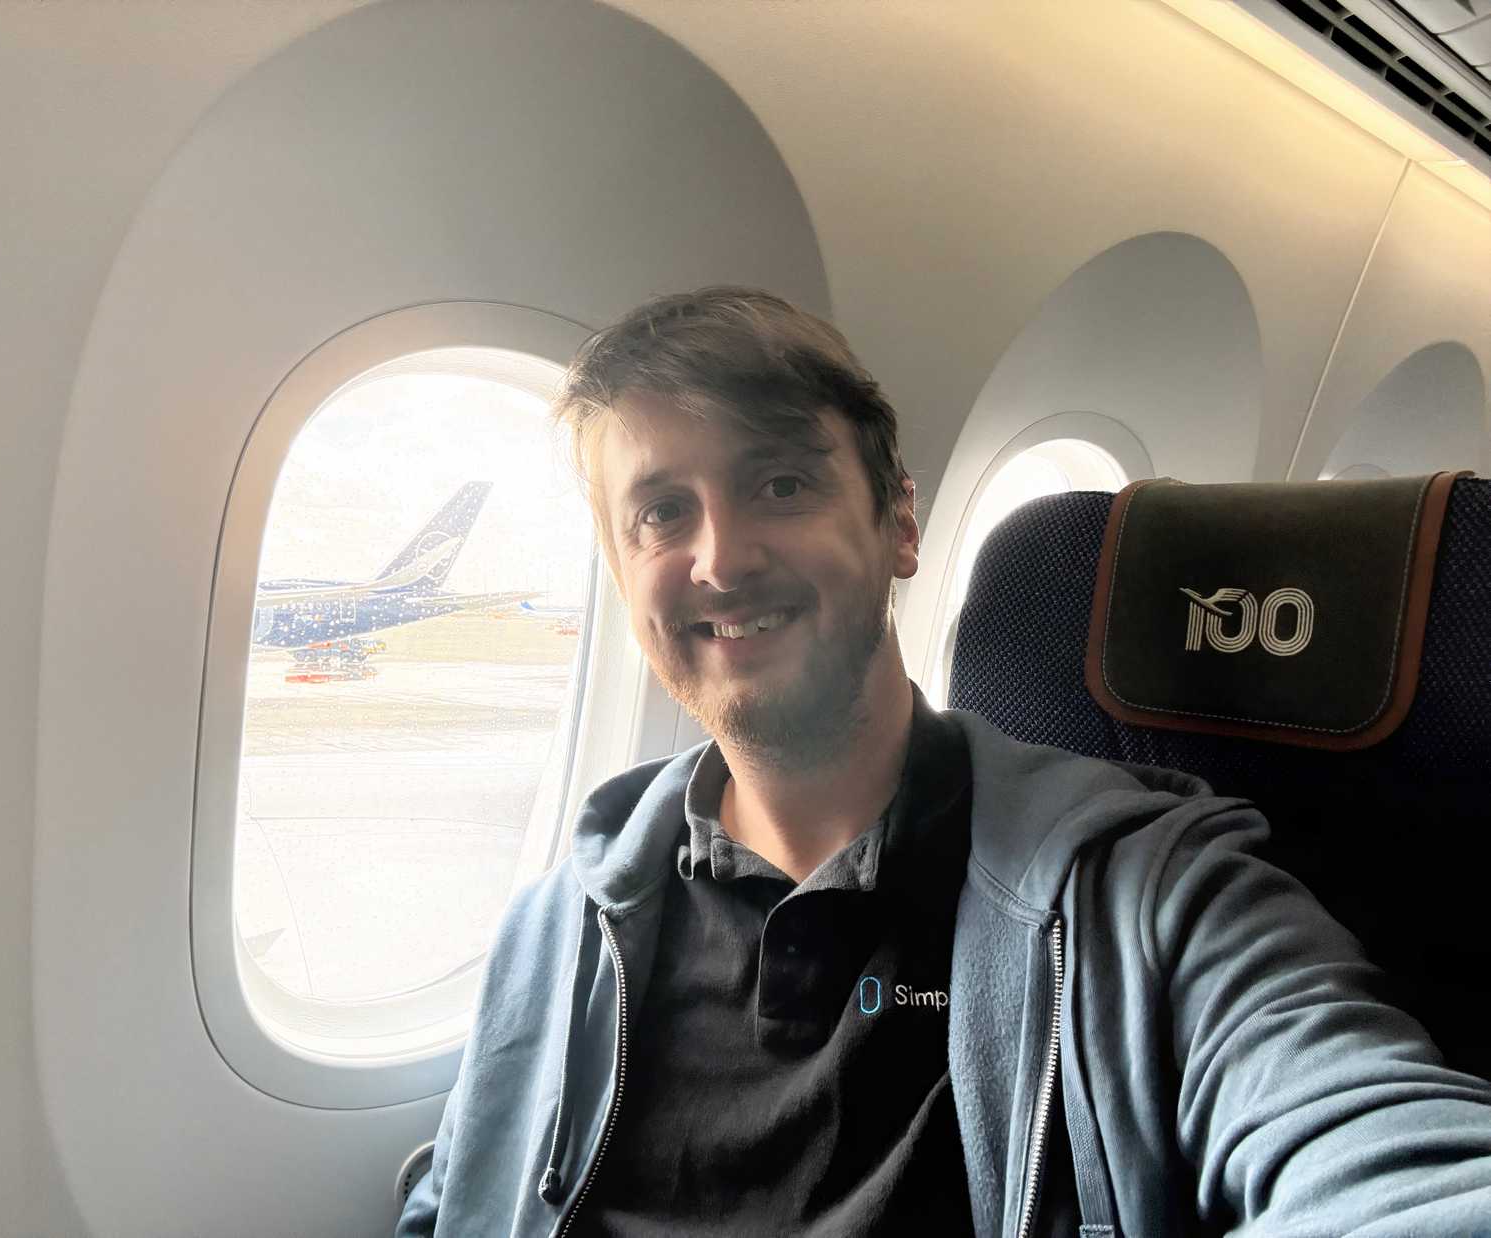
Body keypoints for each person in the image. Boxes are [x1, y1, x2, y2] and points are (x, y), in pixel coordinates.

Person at [396, 287, 1491, 1236]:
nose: (720, 558)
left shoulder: (1141, 896)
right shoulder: (560, 925)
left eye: (781, 483)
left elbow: (1384, 1154)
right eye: (662, 512)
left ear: (901, 525)